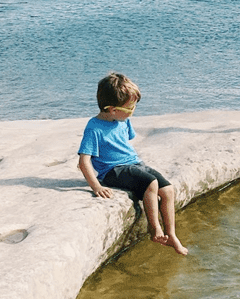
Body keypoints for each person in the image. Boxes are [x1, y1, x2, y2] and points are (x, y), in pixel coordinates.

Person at [78, 72, 188, 255]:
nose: (133, 112)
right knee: (150, 183)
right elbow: (84, 160)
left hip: (135, 163)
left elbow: (124, 140)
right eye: (130, 109)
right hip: (112, 170)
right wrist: (96, 186)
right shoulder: (94, 127)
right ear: (112, 109)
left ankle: (171, 234)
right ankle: (155, 230)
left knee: (168, 190)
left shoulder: (123, 120)